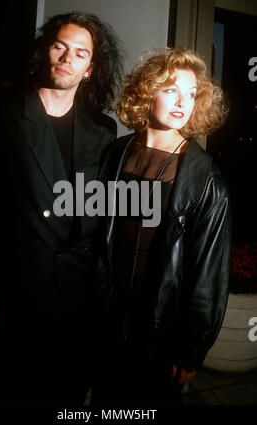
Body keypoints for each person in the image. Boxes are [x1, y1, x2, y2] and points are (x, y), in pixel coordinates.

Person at [0, 11, 122, 405]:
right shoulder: (3, 115)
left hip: (78, 295)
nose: (66, 58)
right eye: (60, 46)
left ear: (90, 68)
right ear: (45, 52)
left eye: (79, 52)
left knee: (67, 392)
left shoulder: (103, 130)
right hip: (18, 288)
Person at [92, 47, 231, 406]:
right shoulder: (116, 152)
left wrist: (191, 349)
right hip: (107, 318)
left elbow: (208, 275)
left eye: (191, 93)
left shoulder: (205, 178)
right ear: (147, 91)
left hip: (159, 330)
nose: (182, 101)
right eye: (171, 89)